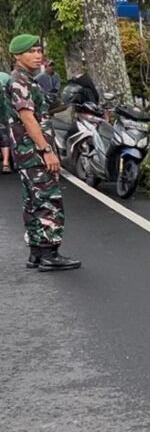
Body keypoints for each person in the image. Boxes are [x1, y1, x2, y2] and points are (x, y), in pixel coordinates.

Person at [5, 34, 80, 271]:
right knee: (49, 201)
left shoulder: (26, 79)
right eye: (31, 51)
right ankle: (50, 253)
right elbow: (28, 118)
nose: (38, 55)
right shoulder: (20, 82)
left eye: (39, 50)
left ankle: (37, 252)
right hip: (35, 153)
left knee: (33, 201)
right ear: (18, 55)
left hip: (26, 153)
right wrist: (46, 150)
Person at [1, 70, 12, 174]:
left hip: (4, 111)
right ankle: (5, 162)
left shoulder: (5, 77)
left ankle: (5, 162)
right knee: (5, 136)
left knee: (4, 136)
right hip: (5, 111)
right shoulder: (6, 77)